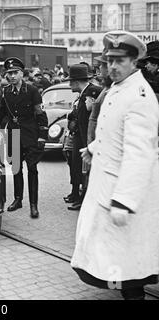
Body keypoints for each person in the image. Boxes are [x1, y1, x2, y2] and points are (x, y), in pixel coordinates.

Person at [71, 30, 159, 300]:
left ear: (135, 62)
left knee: (130, 264)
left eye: (120, 61)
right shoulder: (118, 89)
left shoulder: (141, 97)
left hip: (125, 192)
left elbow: (139, 153)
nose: (113, 67)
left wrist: (124, 200)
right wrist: (93, 148)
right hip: (107, 184)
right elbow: (112, 130)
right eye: (110, 60)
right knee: (122, 260)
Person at [0, 57, 48, 219]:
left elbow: (40, 114)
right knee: (16, 169)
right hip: (13, 136)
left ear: (22, 74)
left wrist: (42, 136)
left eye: (15, 73)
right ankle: (18, 199)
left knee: (32, 170)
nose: (12, 76)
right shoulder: (7, 92)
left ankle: (33, 205)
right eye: (9, 73)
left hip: (30, 136)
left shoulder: (32, 91)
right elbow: (2, 111)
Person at [65, 64, 102, 211]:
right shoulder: (84, 93)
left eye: (71, 81)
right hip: (80, 135)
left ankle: (84, 198)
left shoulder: (93, 91)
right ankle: (78, 195)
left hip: (88, 137)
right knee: (77, 167)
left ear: (76, 81)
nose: (69, 85)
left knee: (86, 170)